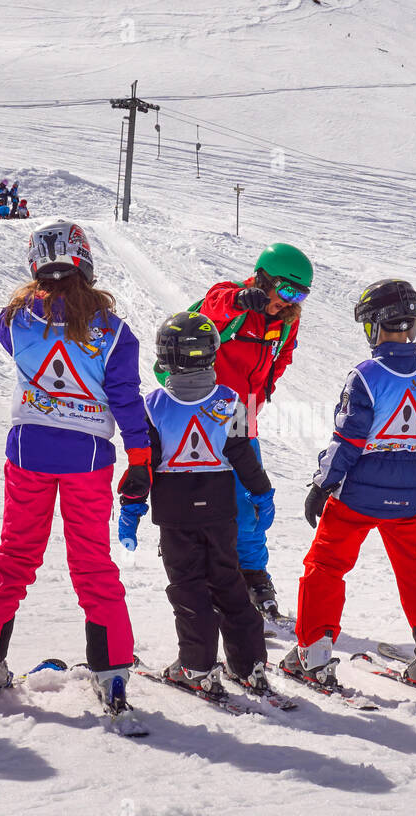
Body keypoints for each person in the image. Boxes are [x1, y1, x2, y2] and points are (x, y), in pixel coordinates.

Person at [0, 221, 149, 729]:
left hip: (28, 452)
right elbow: (125, 399)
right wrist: (141, 460)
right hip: (87, 459)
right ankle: (112, 672)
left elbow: (2, 324)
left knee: (14, 555)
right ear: (85, 263)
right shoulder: (116, 332)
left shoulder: (14, 320)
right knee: (91, 563)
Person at [284, 279, 416, 692]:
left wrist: (322, 484)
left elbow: (347, 440)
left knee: (325, 568)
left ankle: (314, 655)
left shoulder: (364, 376)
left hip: (356, 496)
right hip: (406, 499)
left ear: (376, 327)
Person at [118, 311, 275, 695]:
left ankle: (197, 668)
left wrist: (132, 508)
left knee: (189, 589)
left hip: (176, 515)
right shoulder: (229, 401)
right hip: (221, 512)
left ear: (165, 358)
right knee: (228, 583)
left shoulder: (153, 405)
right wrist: (262, 494)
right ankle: (250, 665)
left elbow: (145, 465)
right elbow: (243, 456)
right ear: (211, 354)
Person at [177, 243, 311, 621]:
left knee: (250, 502)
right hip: (203, 418)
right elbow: (211, 305)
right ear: (264, 278)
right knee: (197, 498)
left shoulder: (287, 319)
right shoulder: (232, 298)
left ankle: (252, 575)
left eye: (299, 295)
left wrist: (264, 393)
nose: (288, 302)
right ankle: (199, 576)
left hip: (242, 421)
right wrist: (240, 300)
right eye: (285, 291)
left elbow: (281, 357)